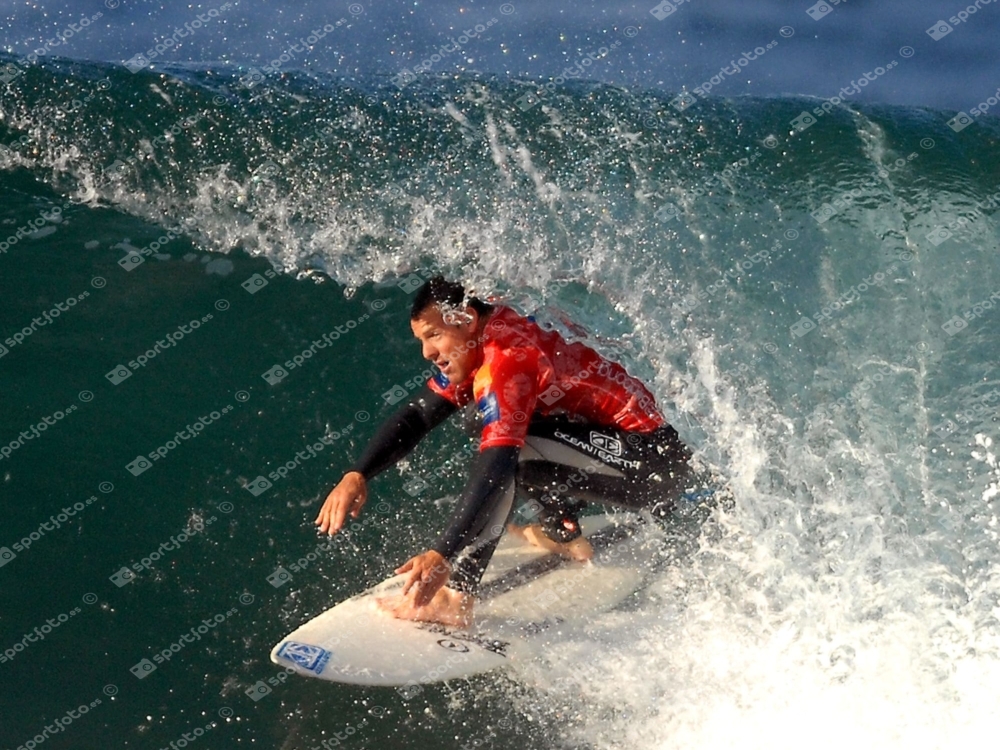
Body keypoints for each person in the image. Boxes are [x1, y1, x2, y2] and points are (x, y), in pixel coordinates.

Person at [314, 277, 693, 627]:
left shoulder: (507, 360)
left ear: (466, 319)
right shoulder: (490, 327)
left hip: (655, 465)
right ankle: (562, 533)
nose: (427, 352)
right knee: (488, 422)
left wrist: (443, 554)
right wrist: (358, 473)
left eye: (433, 336)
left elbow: (495, 466)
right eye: (421, 340)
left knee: (511, 452)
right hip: (632, 442)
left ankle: (454, 598)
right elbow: (419, 414)